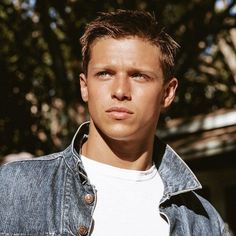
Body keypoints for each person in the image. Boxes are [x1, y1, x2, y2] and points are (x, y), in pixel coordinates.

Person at [0, 9, 229, 236]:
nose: (120, 91)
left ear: (167, 93)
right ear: (84, 86)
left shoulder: (202, 221)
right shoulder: (14, 187)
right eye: (105, 74)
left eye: (139, 75)